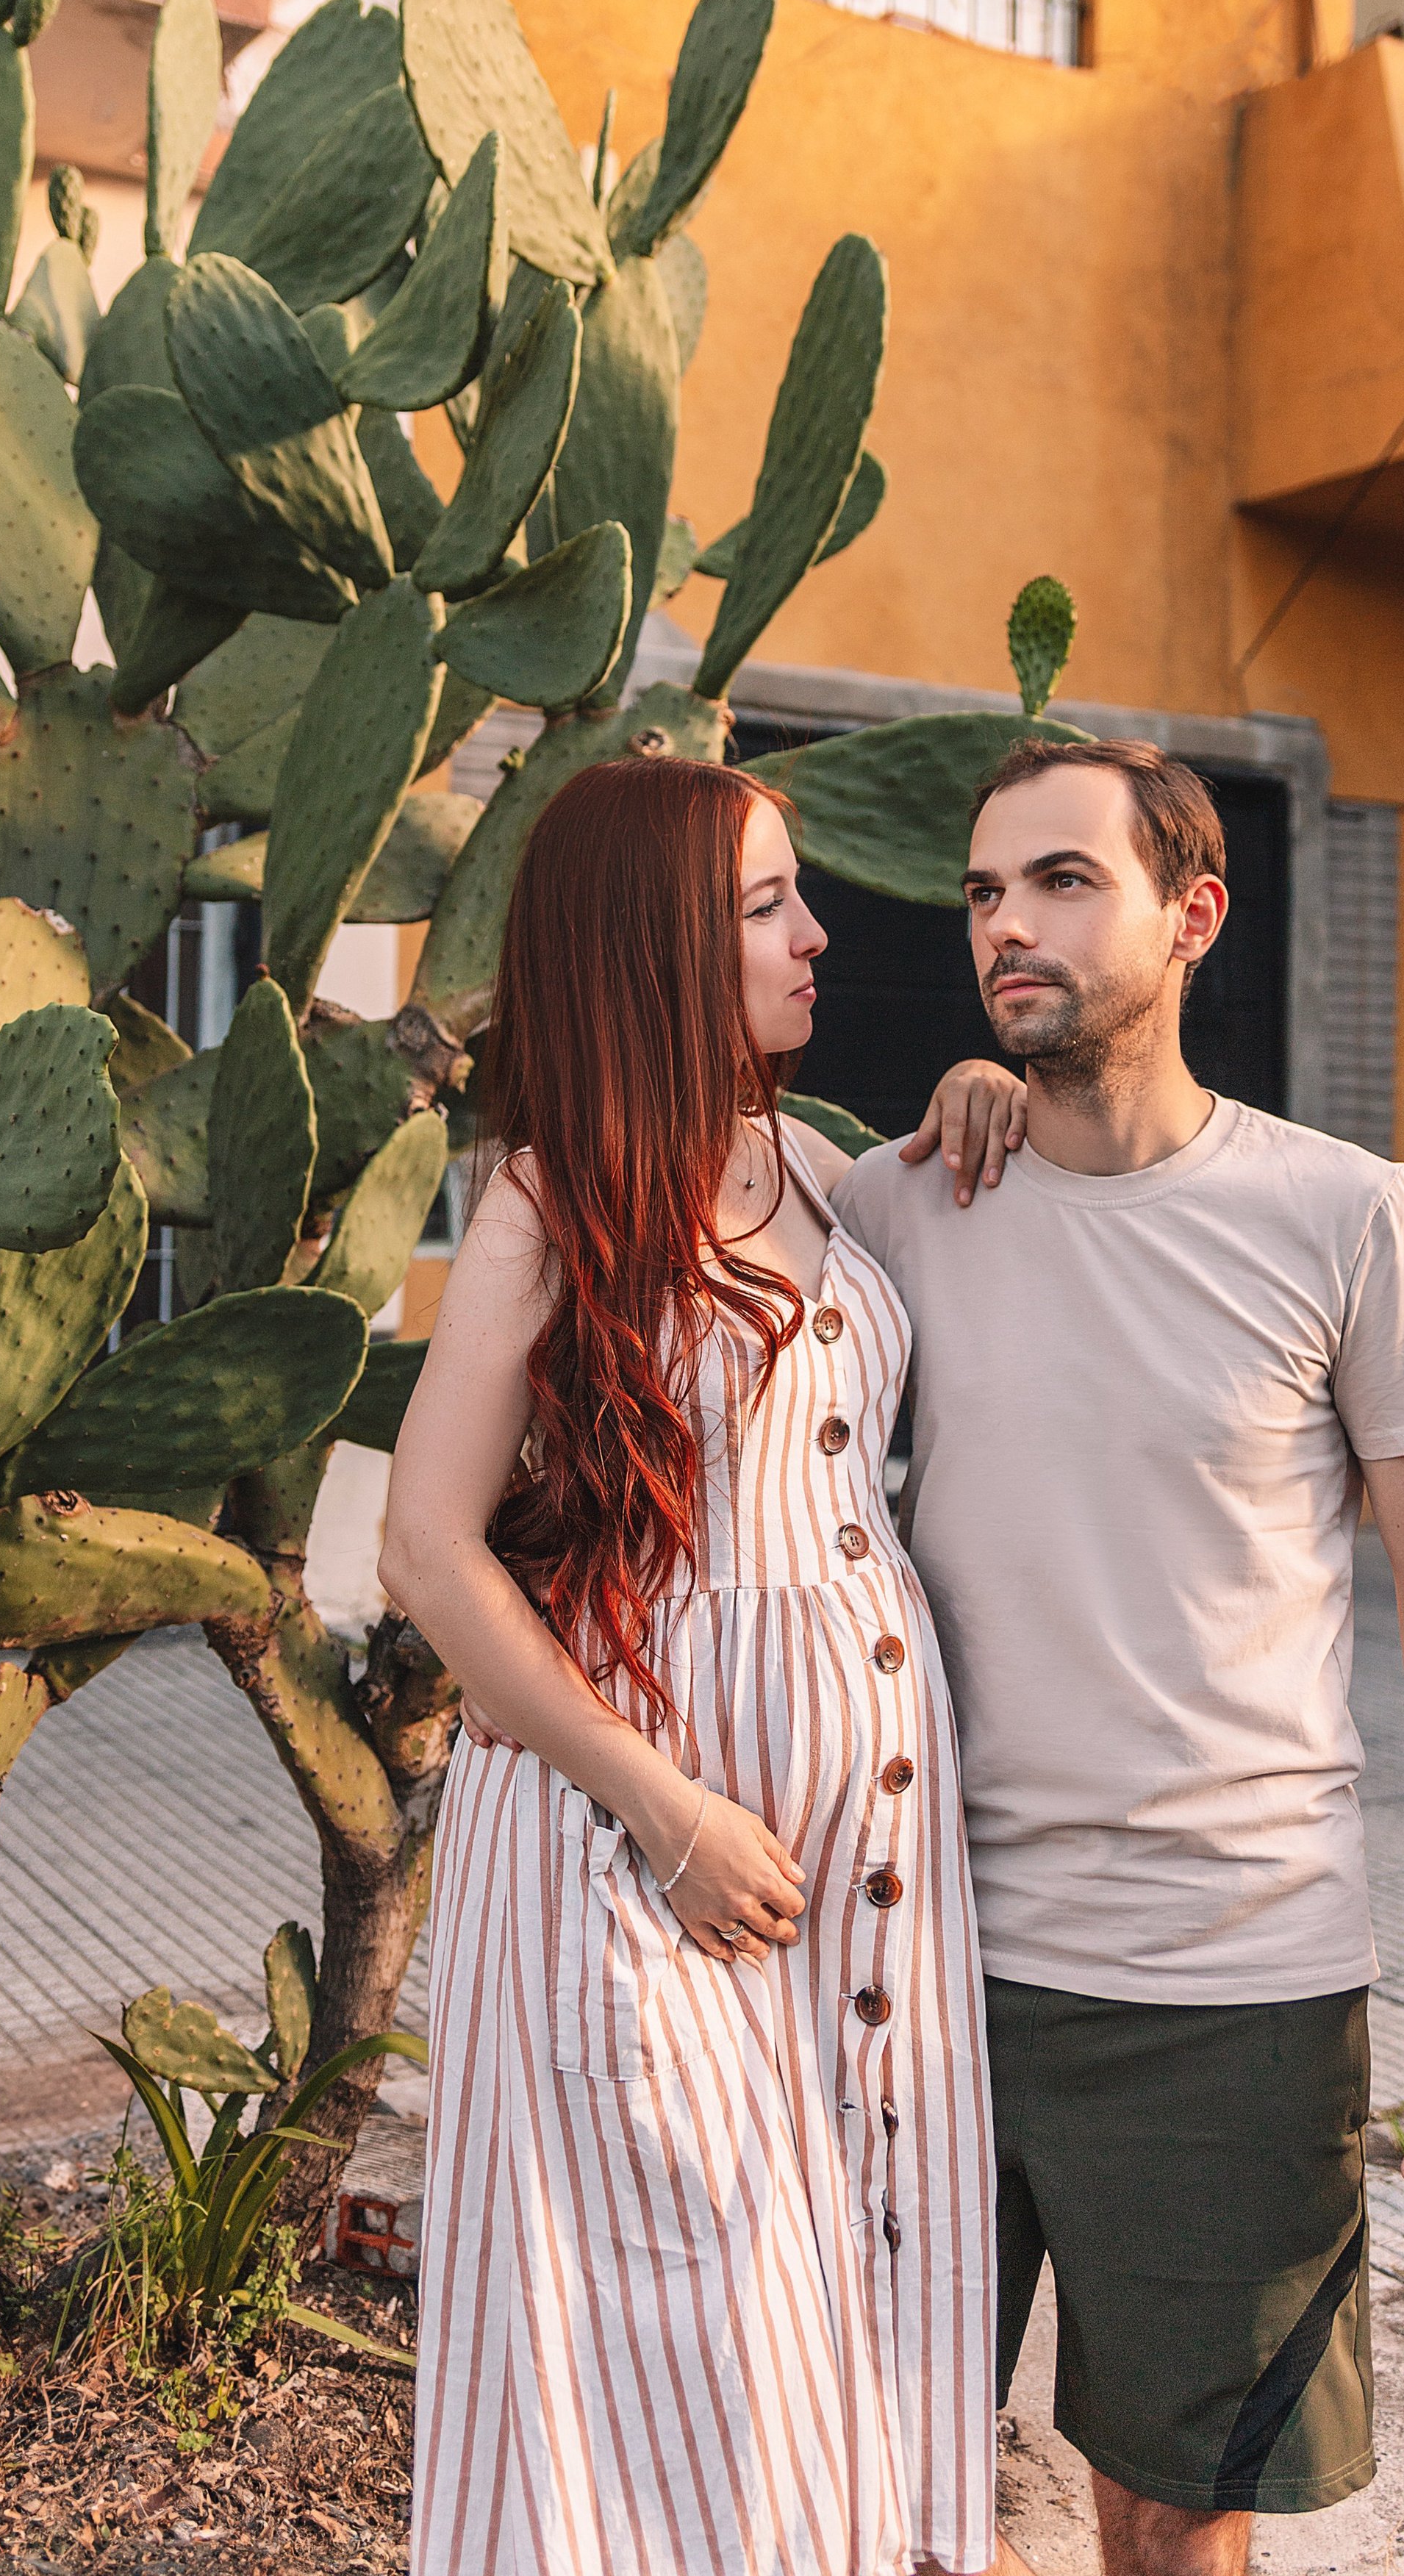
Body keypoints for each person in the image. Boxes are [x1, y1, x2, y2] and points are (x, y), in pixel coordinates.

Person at [837, 736, 1404, 2576]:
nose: (1006, 922)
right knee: (862, 2485)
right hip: (923, 1973)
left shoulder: (1341, 1214)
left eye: (1063, 881)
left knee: (1170, 2522)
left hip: (1233, 1987)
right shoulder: (900, 1207)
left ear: (1193, 915)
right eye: (985, 890)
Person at [381, 754, 1018, 2576]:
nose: (817, 934)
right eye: (762, 907)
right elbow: (424, 1545)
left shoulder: (809, 1160)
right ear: (653, 948)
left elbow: (974, 1224)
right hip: (639, 1873)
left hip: (852, 1891)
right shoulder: (545, 1201)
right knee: (683, 2357)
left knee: (833, 2325)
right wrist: (663, 1813)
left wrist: (980, 1092)